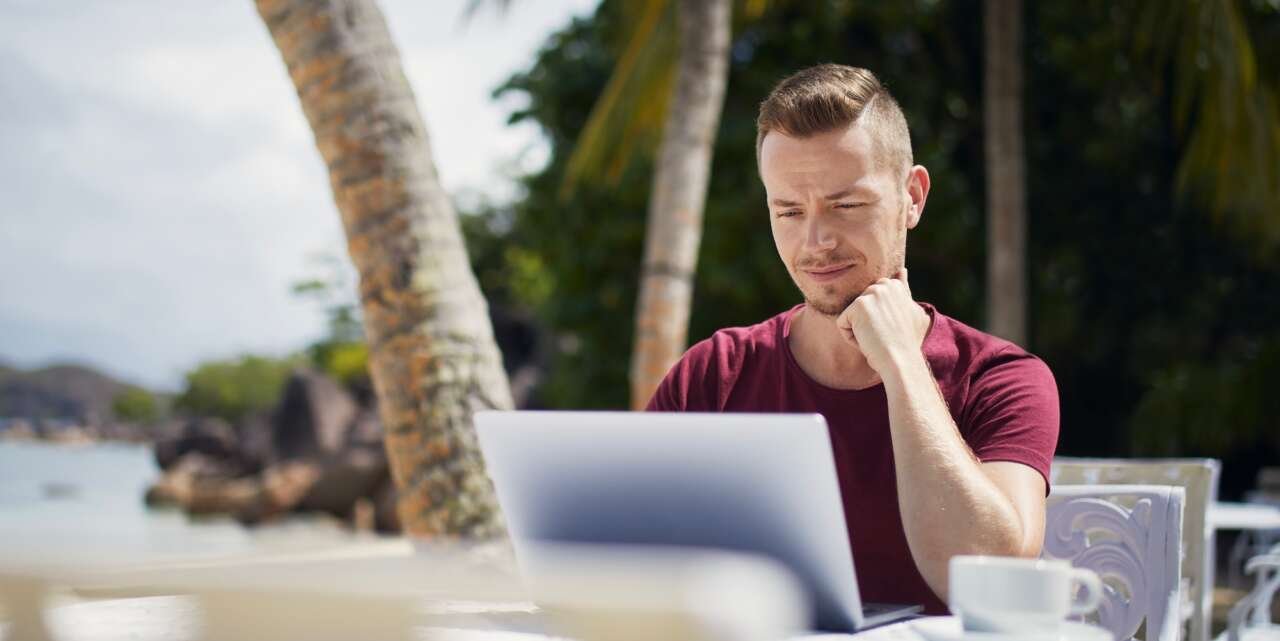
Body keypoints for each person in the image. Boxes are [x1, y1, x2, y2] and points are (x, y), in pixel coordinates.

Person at [646, 64, 1059, 614]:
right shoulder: (713, 374)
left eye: (846, 205)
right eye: (789, 211)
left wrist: (902, 365)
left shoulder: (1001, 379)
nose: (815, 242)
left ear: (912, 197)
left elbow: (991, 581)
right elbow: (633, 560)